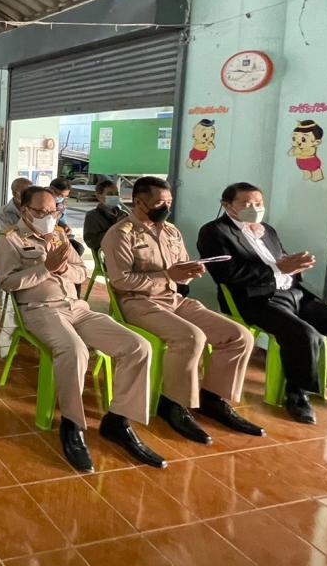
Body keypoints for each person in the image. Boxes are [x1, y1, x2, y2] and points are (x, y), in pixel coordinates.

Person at [0, 187, 164, 472]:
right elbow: (7, 283)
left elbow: (81, 271)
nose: (49, 217)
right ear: (25, 211)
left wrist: (63, 270)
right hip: (40, 310)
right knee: (74, 350)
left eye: (54, 211)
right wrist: (46, 269)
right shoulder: (10, 240)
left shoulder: (60, 235)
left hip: (77, 308)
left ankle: (118, 420)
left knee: (138, 346)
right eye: (41, 212)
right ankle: (72, 425)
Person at [101, 176, 263, 445]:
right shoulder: (120, 234)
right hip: (137, 302)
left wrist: (190, 271)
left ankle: (213, 397)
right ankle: (173, 404)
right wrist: (167, 276)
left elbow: (181, 267)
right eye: (159, 203)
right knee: (190, 337)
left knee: (238, 336)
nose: (165, 207)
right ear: (138, 202)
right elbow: (120, 281)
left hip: (173, 299)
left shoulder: (171, 231)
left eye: (169, 202)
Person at [197, 182, 327, 424]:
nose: (254, 208)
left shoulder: (267, 230)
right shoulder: (214, 232)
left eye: (258, 203)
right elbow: (227, 274)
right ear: (227, 205)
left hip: (294, 294)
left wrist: (295, 264)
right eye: (246, 204)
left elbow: (280, 259)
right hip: (256, 300)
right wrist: (277, 268)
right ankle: (297, 394)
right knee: (304, 334)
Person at [83, 179, 128, 253]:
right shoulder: (93, 216)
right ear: (99, 196)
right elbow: (91, 242)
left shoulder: (123, 214)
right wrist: (116, 228)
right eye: (110, 194)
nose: (114, 197)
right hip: (109, 252)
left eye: (116, 194)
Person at [49, 177, 84, 257]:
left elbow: (60, 220)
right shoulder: (40, 199)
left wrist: (65, 226)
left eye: (65, 196)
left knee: (78, 248)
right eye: (60, 195)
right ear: (51, 189)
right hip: (42, 234)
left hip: (56, 233)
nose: (61, 198)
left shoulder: (62, 203)